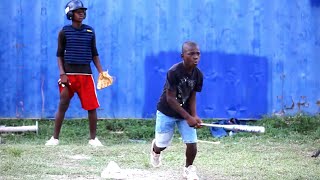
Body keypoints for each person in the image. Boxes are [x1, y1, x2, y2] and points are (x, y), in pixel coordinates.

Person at [45, 0, 105, 147]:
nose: (82, 13)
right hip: (68, 76)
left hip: (86, 76)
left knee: (91, 107)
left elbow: (94, 54)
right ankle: (55, 138)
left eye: (83, 11)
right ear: (70, 14)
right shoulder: (64, 32)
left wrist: (101, 72)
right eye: (78, 11)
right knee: (63, 104)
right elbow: (59, 55)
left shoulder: (90, 31)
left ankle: (93, 139)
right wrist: (62, 73)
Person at [150, 41, 204, 179]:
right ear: (182, 55)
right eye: (191, 54)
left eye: (197, 53)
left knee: (192, 143)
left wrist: (194, 115)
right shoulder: (173, 72)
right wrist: (188, 117)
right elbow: (170, 99)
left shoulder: (198, 75)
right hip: (166, 111)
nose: (195, 56)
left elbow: (192, 95)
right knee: (162, 144)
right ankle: (155, 150)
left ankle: (189, 169)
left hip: (184, 113)